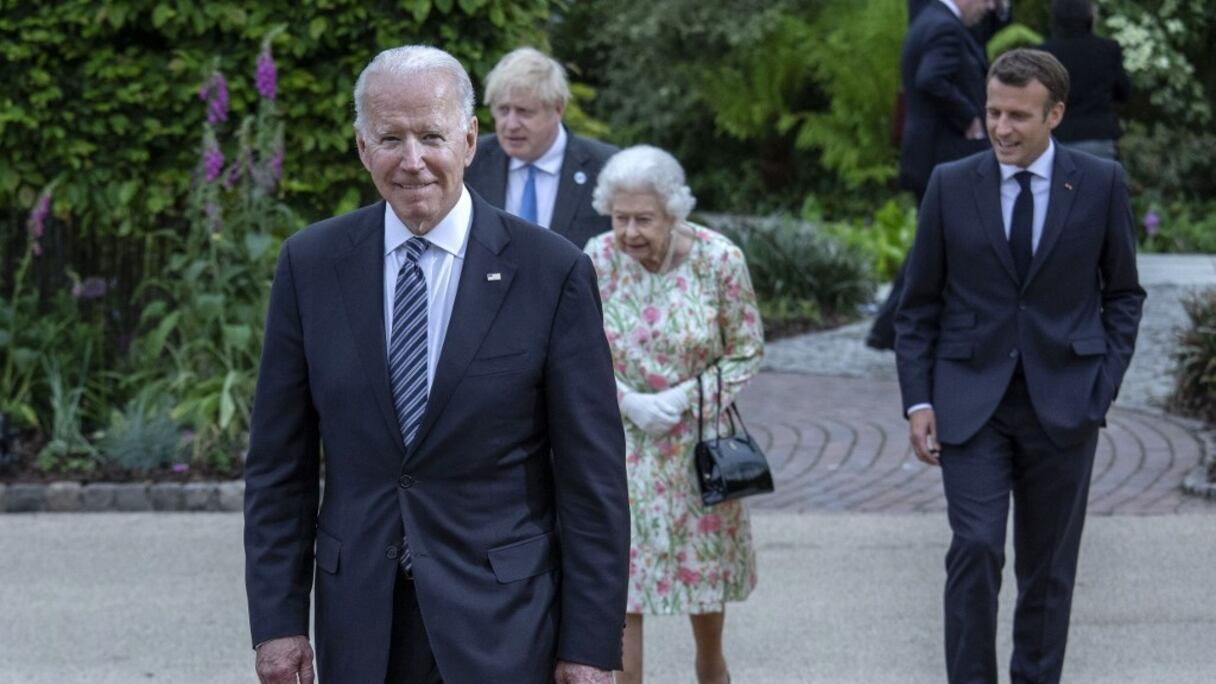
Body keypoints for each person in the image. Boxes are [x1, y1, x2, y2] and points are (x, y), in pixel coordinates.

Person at [243, 45, 629, 684]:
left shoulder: (550, 271)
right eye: (390, 138)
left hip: (505, 622)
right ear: (363, 148)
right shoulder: (310, 266)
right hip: (362, 622)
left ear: (471, 140)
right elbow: (278, 468)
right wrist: (279, 623)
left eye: (431, 135)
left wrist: (589, 646)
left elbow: (593, 482)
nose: (413, 160)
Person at [894, 49, 1144, 683]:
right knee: (976, 548)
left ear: (1054, 114)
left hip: (1066, 403)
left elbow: (1123, 295)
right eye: (993, 111)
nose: (1001, 128)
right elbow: (917, 305)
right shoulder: (952, 185)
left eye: (1018, 116)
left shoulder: (1099, 182)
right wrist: (919, 401)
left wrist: (1101, 387)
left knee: (1048, 569)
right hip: (970, 403)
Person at [584, 145, 764, 684]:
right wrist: (626, 399)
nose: (631, 232)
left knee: (703, 571)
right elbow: (576, 350)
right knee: (623, 579)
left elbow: (747, 349)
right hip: (624, 444)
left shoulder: (720, 259)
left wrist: (684, 398)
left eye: (645, 219)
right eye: (621, 218)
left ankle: (711, 667)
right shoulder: (595, 258)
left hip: (699, 444)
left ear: (673, 212)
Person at [868, 0, 998, 351]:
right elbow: (932, 78)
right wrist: (969, 118)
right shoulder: (944, 27)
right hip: (943, 156)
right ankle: (891, 326)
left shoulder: (929, 20)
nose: (990, 6)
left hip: (932, 157)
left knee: (935, 244)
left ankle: (894, 326)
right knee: (935, 245)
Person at [464, 46, 617, 250]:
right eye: (503, 110)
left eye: (524, 112)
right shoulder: (469, 160)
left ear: (558, 109)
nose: (510, 124)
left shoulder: (605, 167)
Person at [1039, 0, 1132, 160]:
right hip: (1098, 136)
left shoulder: (1043, 53)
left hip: (1057, 137)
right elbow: (1124, 92)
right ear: (1089, 16)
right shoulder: (1108, 49)